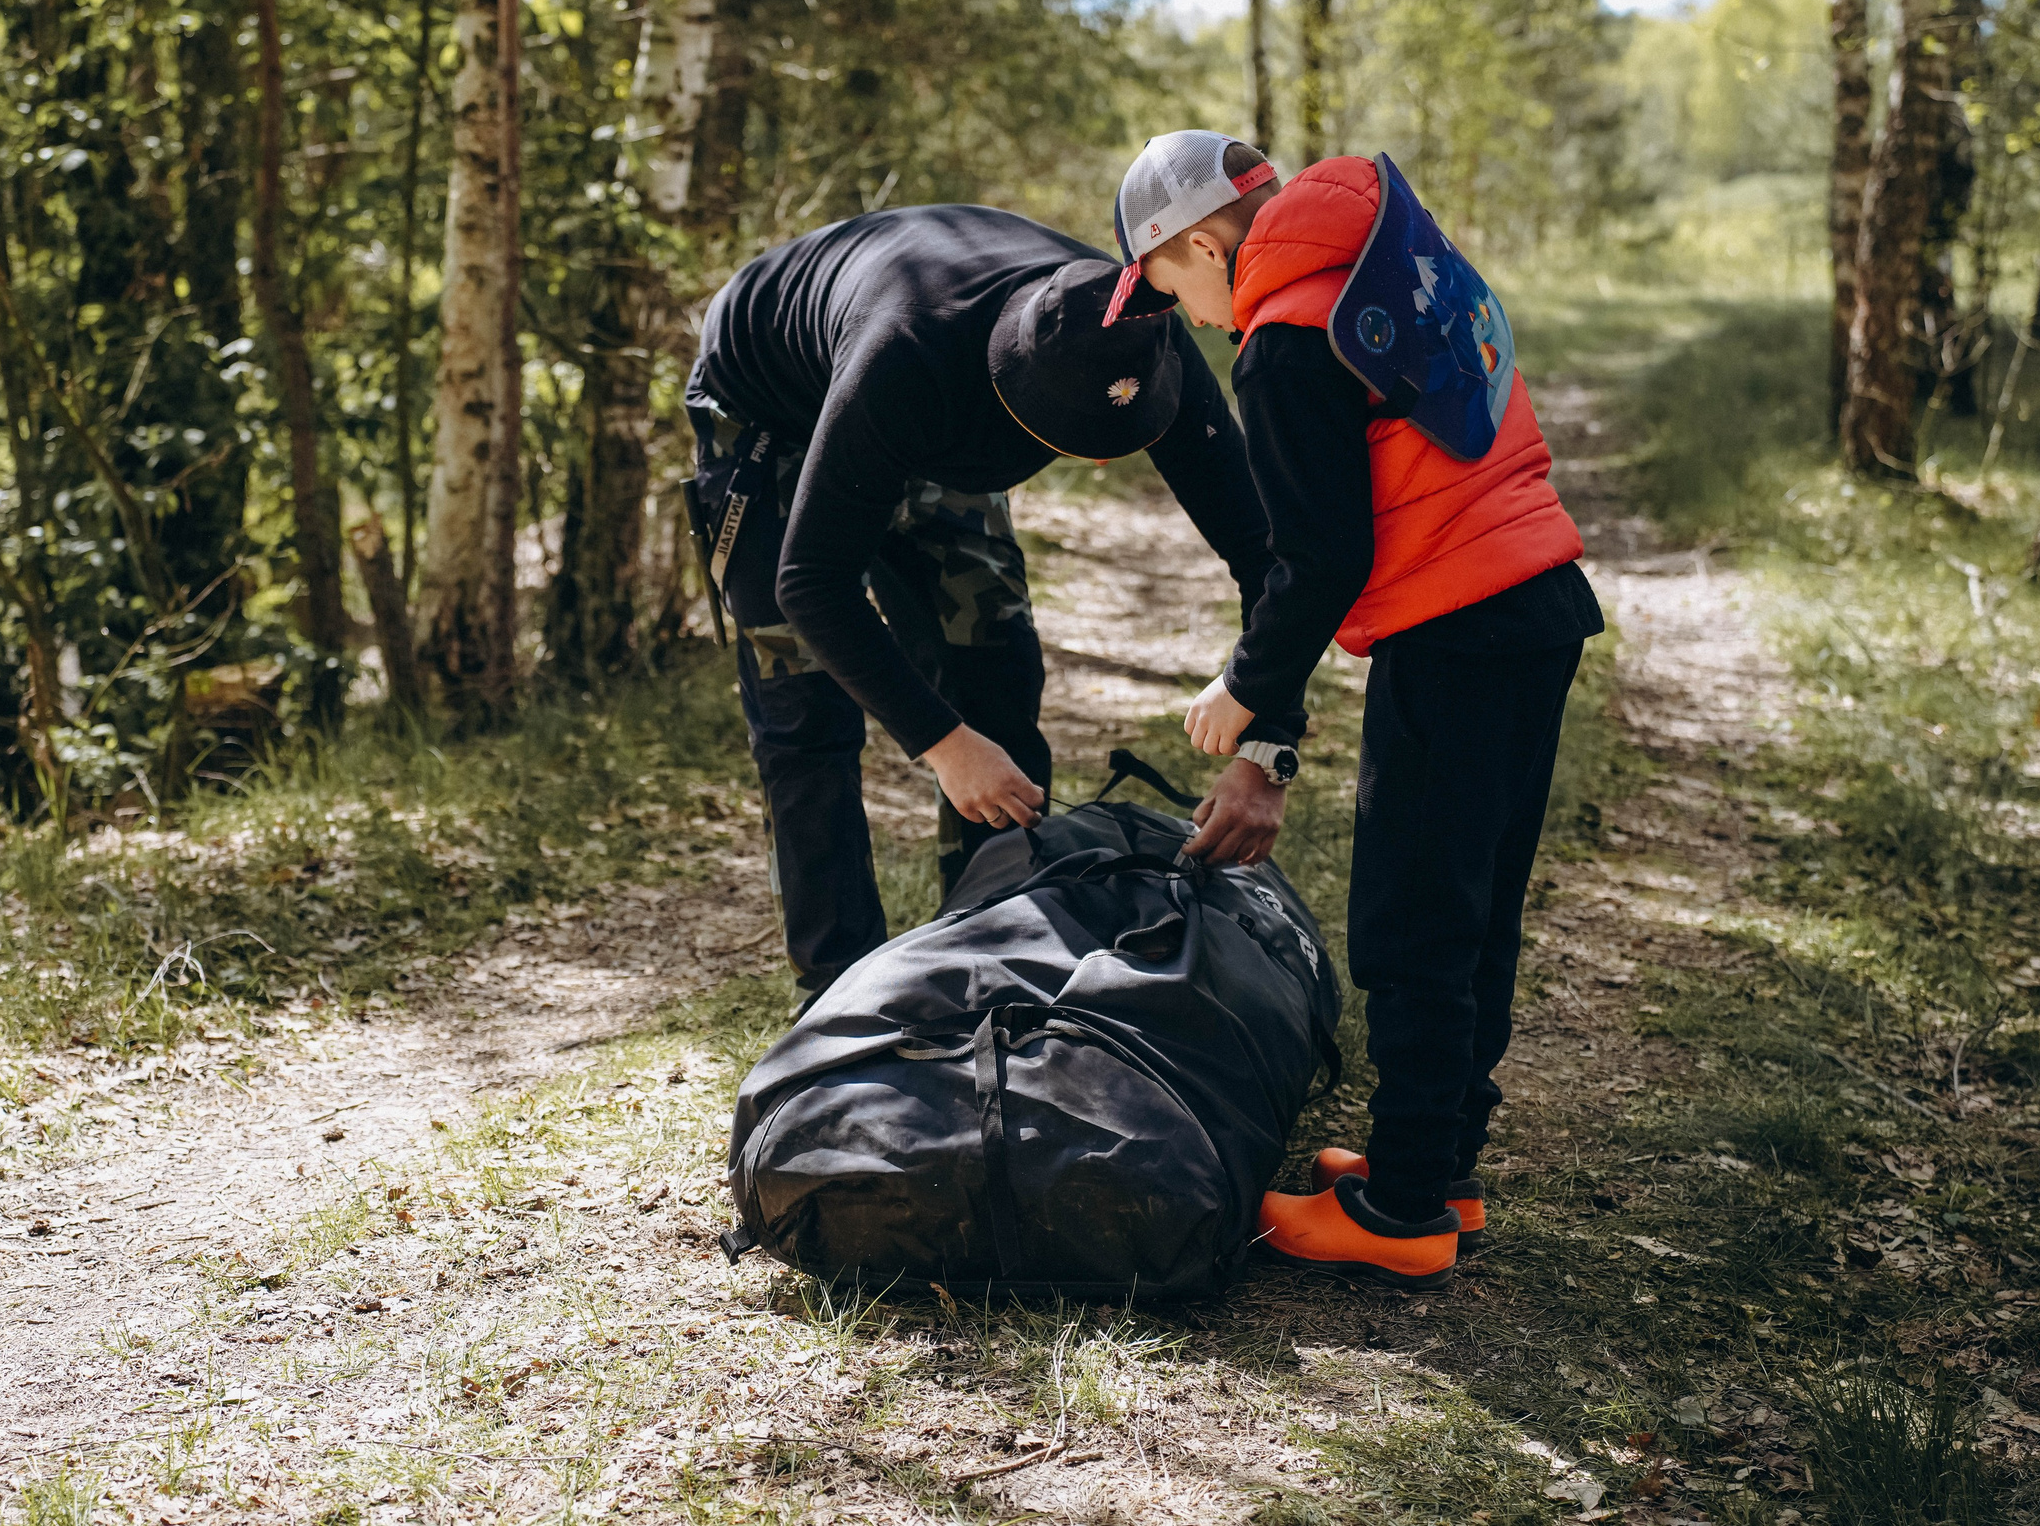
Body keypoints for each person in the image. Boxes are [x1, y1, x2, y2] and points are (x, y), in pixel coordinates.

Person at [1108, 132, 1605, 1290]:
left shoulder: (1286, 338)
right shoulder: (1376, 254)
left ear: (1196, 244)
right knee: (1473, 908)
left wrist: (1248, 691)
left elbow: (1316, 557)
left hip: (1456, 629)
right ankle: (1434, 1161)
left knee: (1414, 921)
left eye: (1169, 290)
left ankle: (1402, 1212)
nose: (1184, 316)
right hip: (1535, 602)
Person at [686, 203, 1286, 1005]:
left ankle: (994, 956)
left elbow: (1269, 556)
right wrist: (942, 742)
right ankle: (840, 1000)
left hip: (937, 405)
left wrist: (1268, 746)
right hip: (773, 406)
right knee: (807, 716)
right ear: (1018, 395)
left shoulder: (1145, 334)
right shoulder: (906, 359)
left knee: (997, 674)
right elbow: (811, 581)